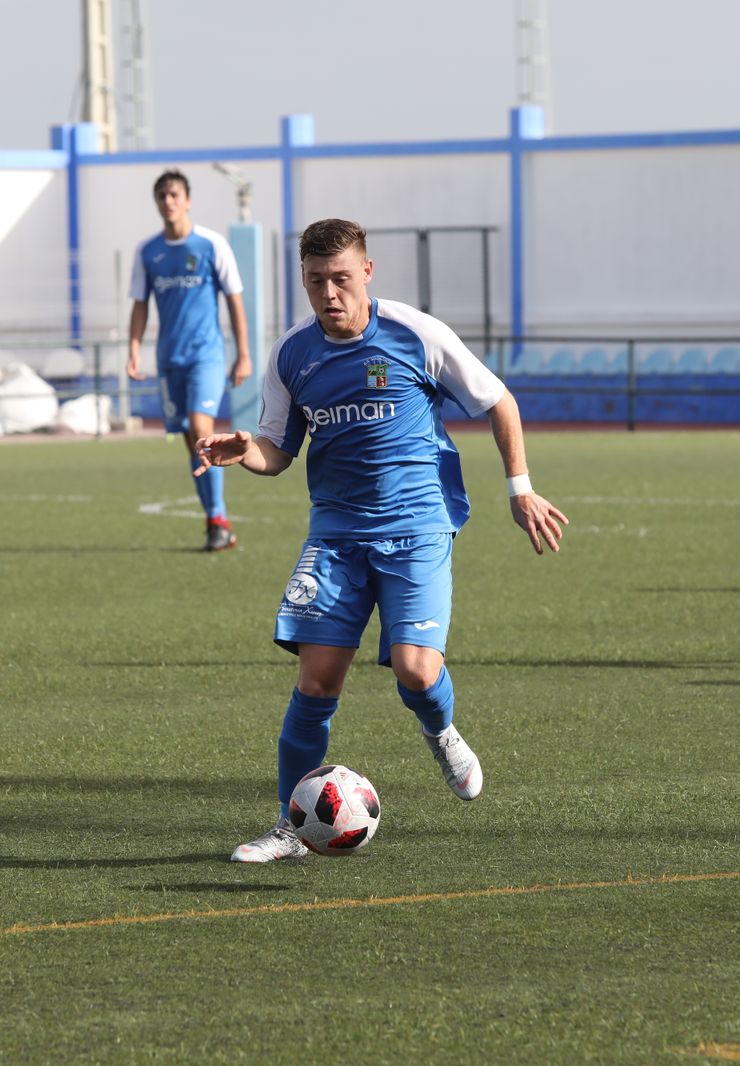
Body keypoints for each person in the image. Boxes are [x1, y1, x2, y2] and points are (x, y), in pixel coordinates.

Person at [195, 218, 569, 863]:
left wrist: (520, 489)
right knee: (316, 682)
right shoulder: (292, 356)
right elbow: (279, 452)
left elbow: (498, 401)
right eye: (316, 282)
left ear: (367, 271)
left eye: (341, 278)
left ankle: (441, 729)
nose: (330, 294)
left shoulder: (416, 334)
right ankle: (293, 828)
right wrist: (244, 451)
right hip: (337, 532)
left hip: (417, 524)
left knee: (416, 671)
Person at [128, 169, 252, 552]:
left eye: (174, 194)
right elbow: (139, 304)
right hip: (170, 360)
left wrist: (243, 354)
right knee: (192, 443)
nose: (168, 201)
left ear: (187, 200)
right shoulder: (148, 252)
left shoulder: (211, 245)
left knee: (203, 430)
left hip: (206, 357)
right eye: (162, 195)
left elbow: (234, 299)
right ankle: (217, 520)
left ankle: (217, 519)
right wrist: (133, 349)